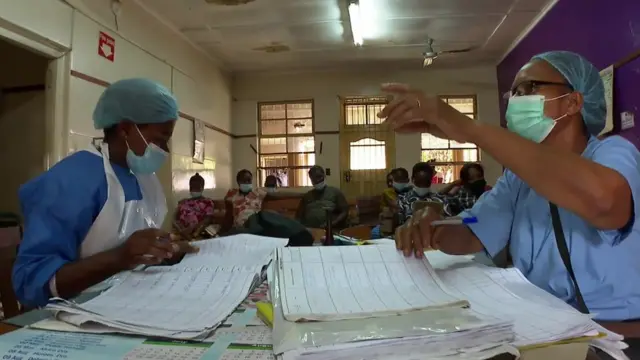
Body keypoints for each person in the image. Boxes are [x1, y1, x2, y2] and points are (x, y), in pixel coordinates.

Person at [380, 51, 640, 357]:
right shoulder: (517, 180)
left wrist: (471, 129)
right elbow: (474, 230)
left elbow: (605, 204)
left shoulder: (614, 154)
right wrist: (434, 222)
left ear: (573, 102)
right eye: (513, 92)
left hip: (617, 337)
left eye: (529, 88)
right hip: (544, 333)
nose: (516, 100)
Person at [12, 78, 197, 307]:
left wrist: (167, 251)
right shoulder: (71, 181)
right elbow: (30, 283)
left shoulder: (142, 177)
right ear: (126, 129)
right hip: (76, 314)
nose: (164, 150)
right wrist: (120, 257)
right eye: (160, 140)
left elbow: (141, 245)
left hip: (133, 301)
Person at [396, 162, 469, 225]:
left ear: (431, 181)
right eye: (419, 181)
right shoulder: (402, 200)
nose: (422, 185)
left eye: (426, 182)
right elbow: (398, 225)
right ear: (412, 179)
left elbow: (448, 223)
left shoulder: (440, 200)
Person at [224, 169, 298, 230]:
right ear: (238, 182)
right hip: (238, 227)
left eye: (249, 180)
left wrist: (299, 195)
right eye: (244, 181)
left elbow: (277, 195)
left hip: (253, 224)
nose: (247, 183)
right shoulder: (232, 194)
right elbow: (228, 214)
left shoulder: (258, 192)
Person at [297, 166, 349, 230]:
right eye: (314, 178)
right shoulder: (307, 196)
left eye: (319, 176)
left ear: (324, 176)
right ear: (311, 179)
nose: (317, 180)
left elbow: (345, 211)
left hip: (330, 230)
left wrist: (332, 223)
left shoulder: (335, 192)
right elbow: (298, 216)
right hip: (310, 231)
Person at [173, 173, 215, 240]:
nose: (194, 190)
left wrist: (194, 228)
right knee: (175, 226)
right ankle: (187, 237)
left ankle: (189, 238)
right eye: (192, 187)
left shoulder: (207, 202)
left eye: (197, 187)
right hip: (182, 230)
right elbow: (177, 218)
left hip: (197, 230)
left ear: (202, 188)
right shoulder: (184, 202)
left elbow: (208, 219)